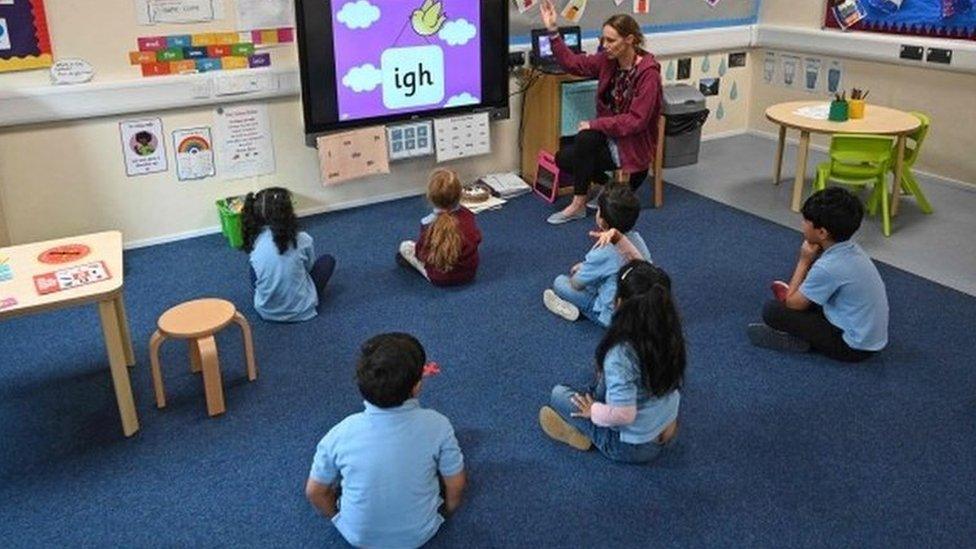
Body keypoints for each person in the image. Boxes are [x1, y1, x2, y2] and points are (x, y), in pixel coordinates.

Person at [305, 333, 466, 548]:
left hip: (357, 537)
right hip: (420, 533)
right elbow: (456, 485)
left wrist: (337, 517)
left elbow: (315, 492)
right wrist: (445, 512)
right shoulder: (438, 425)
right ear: (417, 385)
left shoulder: (339, 433)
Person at [540, 261, 684, 463]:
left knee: (558, 395)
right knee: (608, 380)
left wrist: (593, 411)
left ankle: (582, 434)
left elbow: (625, 415)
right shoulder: (669, 329)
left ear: (619, 303)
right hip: (667, 429)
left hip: (631, 447)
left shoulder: (620, 354)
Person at [540, 0, 664, 224]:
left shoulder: (648, 74)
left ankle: (579, 203)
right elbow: (573, 64)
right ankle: (607, 188)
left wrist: (596, 124)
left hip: (632, 145)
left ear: (630, 40)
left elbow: (636, 121)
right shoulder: (609, 61)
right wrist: (553, 32)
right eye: (603, 40)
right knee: (563, 157)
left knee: (586, 136)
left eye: (611, 40)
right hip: (611, 138)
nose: (605, 45)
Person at [748, 187, 889, 362]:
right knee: (808, 298)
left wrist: (804, 261)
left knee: (773, 310)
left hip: (852, 348)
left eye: (806, 221)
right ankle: (802, 305)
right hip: (869, 337)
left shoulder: (828, 267)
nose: (802, 224)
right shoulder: (852, 249)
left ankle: (800, 339)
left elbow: (793, 305)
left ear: (822, 232)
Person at [543, 186, 651, 327]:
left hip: (615, 317)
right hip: (643, 309)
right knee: (603, 278)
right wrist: (586, 267)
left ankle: (581, 310)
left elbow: (576, 283)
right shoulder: (637, 239)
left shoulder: (602, 252)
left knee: (560, 282)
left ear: (602, 220)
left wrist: (582, 271)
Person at [241, 187, 336, 322]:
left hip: (265, 311)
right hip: (302, 310)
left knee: (254, 268)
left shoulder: (256, 240)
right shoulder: (303, 239)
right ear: (287, 213)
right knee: (328, 260)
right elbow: (308, 269)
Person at [397, 169, 483, 286]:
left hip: (439, 278)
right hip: (469, 274)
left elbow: (421, 254)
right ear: (460, 194)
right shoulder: (468, 215)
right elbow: (476, 239)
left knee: (405, 246)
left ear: (430, 197)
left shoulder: (427, 223)